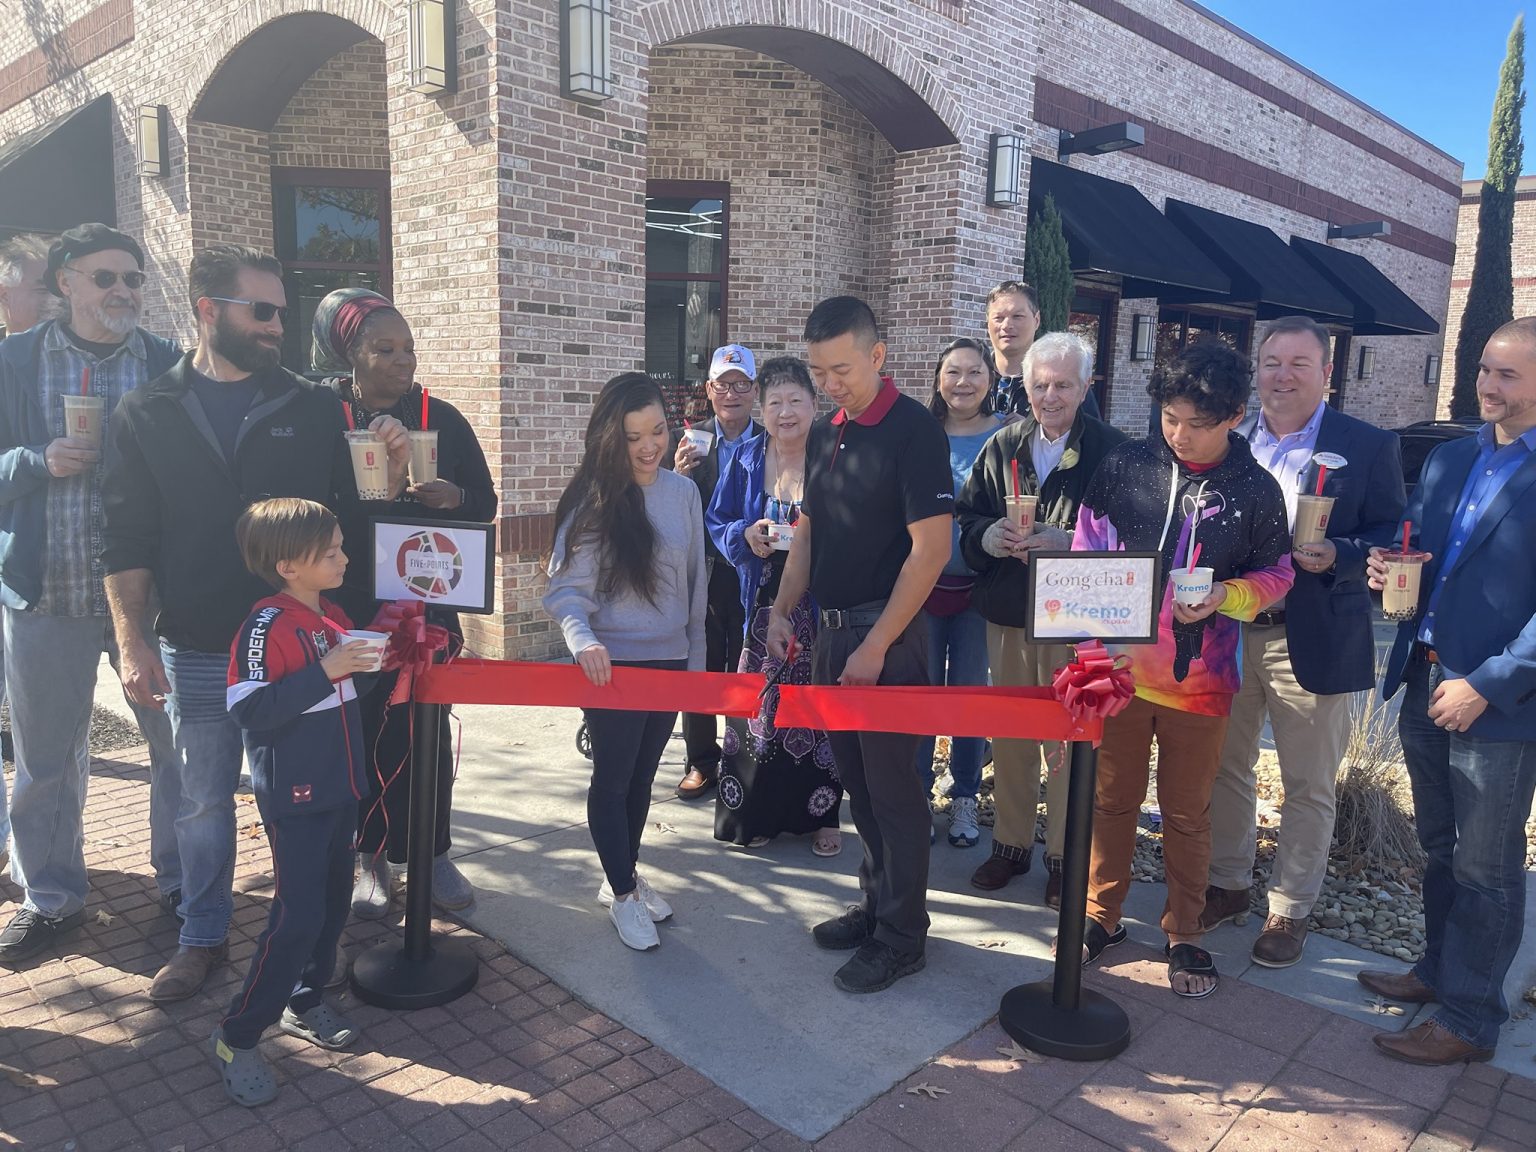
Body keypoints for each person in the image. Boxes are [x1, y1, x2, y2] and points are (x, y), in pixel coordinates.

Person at [103, 245, 408, 1002]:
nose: (279, 325)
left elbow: (354, 523)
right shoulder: (147, 410)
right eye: (262, 310)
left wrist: (394, 485)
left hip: (306, 652)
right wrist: (131, 639)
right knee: (202, 799)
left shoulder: (313, 406)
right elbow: (126, 537)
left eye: (282, 311)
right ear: (211, 312)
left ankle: (306, 945)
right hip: (201, 648)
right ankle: (201, 938)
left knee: (309, 806)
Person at [1071, 340, 1292, 998]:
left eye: (1198, 423)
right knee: (1111, 799)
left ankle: (1184, 932)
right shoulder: (1126, 463)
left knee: (1187, 812)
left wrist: (1227, 596)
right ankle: (1100, 916)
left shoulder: (1254, 488)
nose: (1180, 435)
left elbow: (1278, 574)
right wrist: (1088, 642)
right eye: (1170, 417)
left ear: (1235, 415)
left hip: (1203, 678)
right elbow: (1088, 544)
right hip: (1118, 670)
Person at [0, 224, 181, 965]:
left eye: (132, 279)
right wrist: (34, 460)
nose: (122, 292)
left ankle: (180, 883)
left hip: (149, 602)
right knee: (45, 758)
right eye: (104, 277)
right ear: (65, 282)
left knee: (177, 750)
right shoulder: (13, 362)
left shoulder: (168, 364)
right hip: (45, 594)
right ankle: (51, 898)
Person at [1361, 318, 1536, 1066]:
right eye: (1485, 371)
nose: (1488, 387)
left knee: (1486, 867)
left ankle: (1469, 1019)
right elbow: (1416, 544)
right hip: (1423, 673)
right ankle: (1437, 973)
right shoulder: (1453, 456)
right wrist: (1388, 574)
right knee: (1439, 847)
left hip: (1497, 702)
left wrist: (1488, 685)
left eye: (1508, 376)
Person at [1203, 316, 1405, 967]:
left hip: (1310, 635)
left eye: (1297, 364)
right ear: (1255, 371)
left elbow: (1396, 533)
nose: (1282, 376)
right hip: (1229, 635)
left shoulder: (1367, 445)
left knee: (1309, 782)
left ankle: (1289, 910)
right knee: (1225, 767)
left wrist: (1341, 554)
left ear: (1326, 373)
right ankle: (1229, 884)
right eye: (1271, 363)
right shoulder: (1226, 442)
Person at [766, 296, 951, 994]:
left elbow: (930, 553)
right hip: (832, 630)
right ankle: (877, 908)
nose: (829, 384)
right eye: (819, 371)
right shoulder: (826, 431)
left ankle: (904, 936)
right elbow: (809, 530)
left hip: (888, 638)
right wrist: (783, 609)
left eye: (840, 369)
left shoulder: (913, 432)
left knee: (897, 792)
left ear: (877, 355)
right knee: (860, 788)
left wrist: (877, 644)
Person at [308, 288, 498, 920]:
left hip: (425, 610)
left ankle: (434, 853)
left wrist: (452, 500)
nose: (402, 360)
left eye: (408, 348)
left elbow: (485, 503)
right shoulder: (324, 415)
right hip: (350, 609)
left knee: (426, 735)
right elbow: (306, 510)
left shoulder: (438, 414)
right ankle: (371, 859)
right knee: (360, 735)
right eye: (384, 349)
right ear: (350, 353)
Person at [212, 498, 377, 1105]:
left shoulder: (329, 613)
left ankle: (305, 995)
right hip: (297, 796)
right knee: (298, 914)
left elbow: (341, 688)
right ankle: (239, 1032)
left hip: (341, 790)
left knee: (333, 906)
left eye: (340, 545)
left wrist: (391, 651)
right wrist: (329, 668)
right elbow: (250, 708)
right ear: (287, 565)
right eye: (330, 551)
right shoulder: (265, 624)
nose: (344, 557)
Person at [957, 331, 1127, 903]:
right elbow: (965, 519)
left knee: (1068, 739)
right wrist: (989, 535)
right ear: (1024, 386)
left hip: (1076, 623)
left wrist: (1070, 542)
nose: (1049, 396)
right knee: (1010, 735)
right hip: (1008, 613)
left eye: (1062, 385)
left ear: (1085, 387)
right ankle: (1009, 846)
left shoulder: (1112, 451)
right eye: (1039, 385)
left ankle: (1062, 854)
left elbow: (1138, 540)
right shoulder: (1004, 444)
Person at [544, 373, 706, 951]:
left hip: (669, 662)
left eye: (658, 431)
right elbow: (566, 592)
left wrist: (695, 667)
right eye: (633, 435)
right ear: (611, 438)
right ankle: (621, 891)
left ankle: (625, 876)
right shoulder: (593, 503)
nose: (648, 446)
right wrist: (581, 638)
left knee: (642, 779)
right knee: (613, 780)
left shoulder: (683, 493)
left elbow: (696, 589)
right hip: (610, 669)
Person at [705, 356, 839, 855]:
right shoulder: (744, 459)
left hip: (821, 601)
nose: (786, 412)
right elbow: (717, 520)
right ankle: (753, 812)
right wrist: (746, 533)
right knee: (758, 708)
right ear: (761, 409)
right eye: (775, 402)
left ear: (814, 404)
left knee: (817, 708)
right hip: (761, 596)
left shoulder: (833, 455)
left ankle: (822, 815)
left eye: (796, 401)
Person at [913, 339, 1005, 849]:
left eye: (974, 372)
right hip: (922, 588)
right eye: (953, 372)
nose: (963, 382)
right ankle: (920, 794)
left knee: (970, 696)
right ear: (939, 379)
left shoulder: (1007, 435)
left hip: (980, 590)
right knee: (925, 695)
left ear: (989, 379)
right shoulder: (922, 434)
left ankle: (966, 795)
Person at [673, 344, 763, 801]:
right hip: (703, 570)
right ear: (709, 390)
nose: (732, 393)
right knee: (702, 667)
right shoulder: (690, 441)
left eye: (741, 384)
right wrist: (677, 476)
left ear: (754, 390)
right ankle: (702, 761)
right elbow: (669, 510)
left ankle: (741, 758)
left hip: (751, 570)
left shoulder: (770, 441)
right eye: (723, 384)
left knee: (745, 665)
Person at [0, 233, 54, 841]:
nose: (55, 298)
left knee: (50, 734)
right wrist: (38, 460)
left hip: (49, 578)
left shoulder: (65, 364)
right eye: (43, 285)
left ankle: (35, 856)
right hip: (15, 569)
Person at [984, 280, 1100, 420]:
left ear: (1037, 320)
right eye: (999, 318)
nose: (1007, 325)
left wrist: (1034, 430)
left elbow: (1090, 435)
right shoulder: (973, 378)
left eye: (1017, 316)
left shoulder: (1064, 377)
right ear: (987, 323)